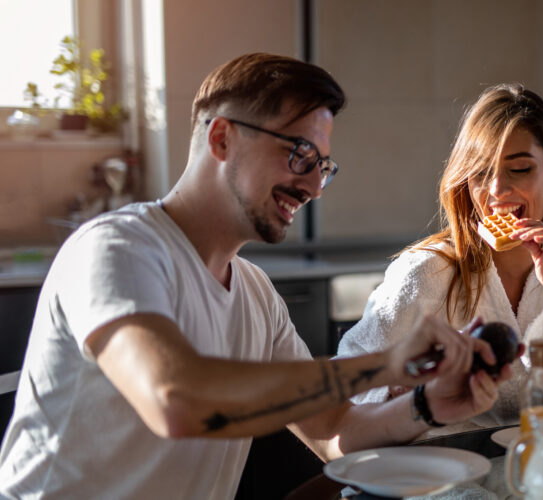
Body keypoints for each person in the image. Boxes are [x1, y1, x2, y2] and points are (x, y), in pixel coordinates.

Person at [0, 53, 513, 499]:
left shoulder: (254, 292)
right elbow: (176, 401)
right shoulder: (118, 249)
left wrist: (426, 406)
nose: (313, 184)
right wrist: (385, 365)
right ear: (221, 138)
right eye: (300, 155)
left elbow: (332, 432)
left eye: (323, 166)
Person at [337, 83, 543, 434]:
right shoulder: (426, 272)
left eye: (519, 169)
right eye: (480, 172)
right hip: (449, 473)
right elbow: (353, 389)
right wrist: (408, 395)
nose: (496, 190)